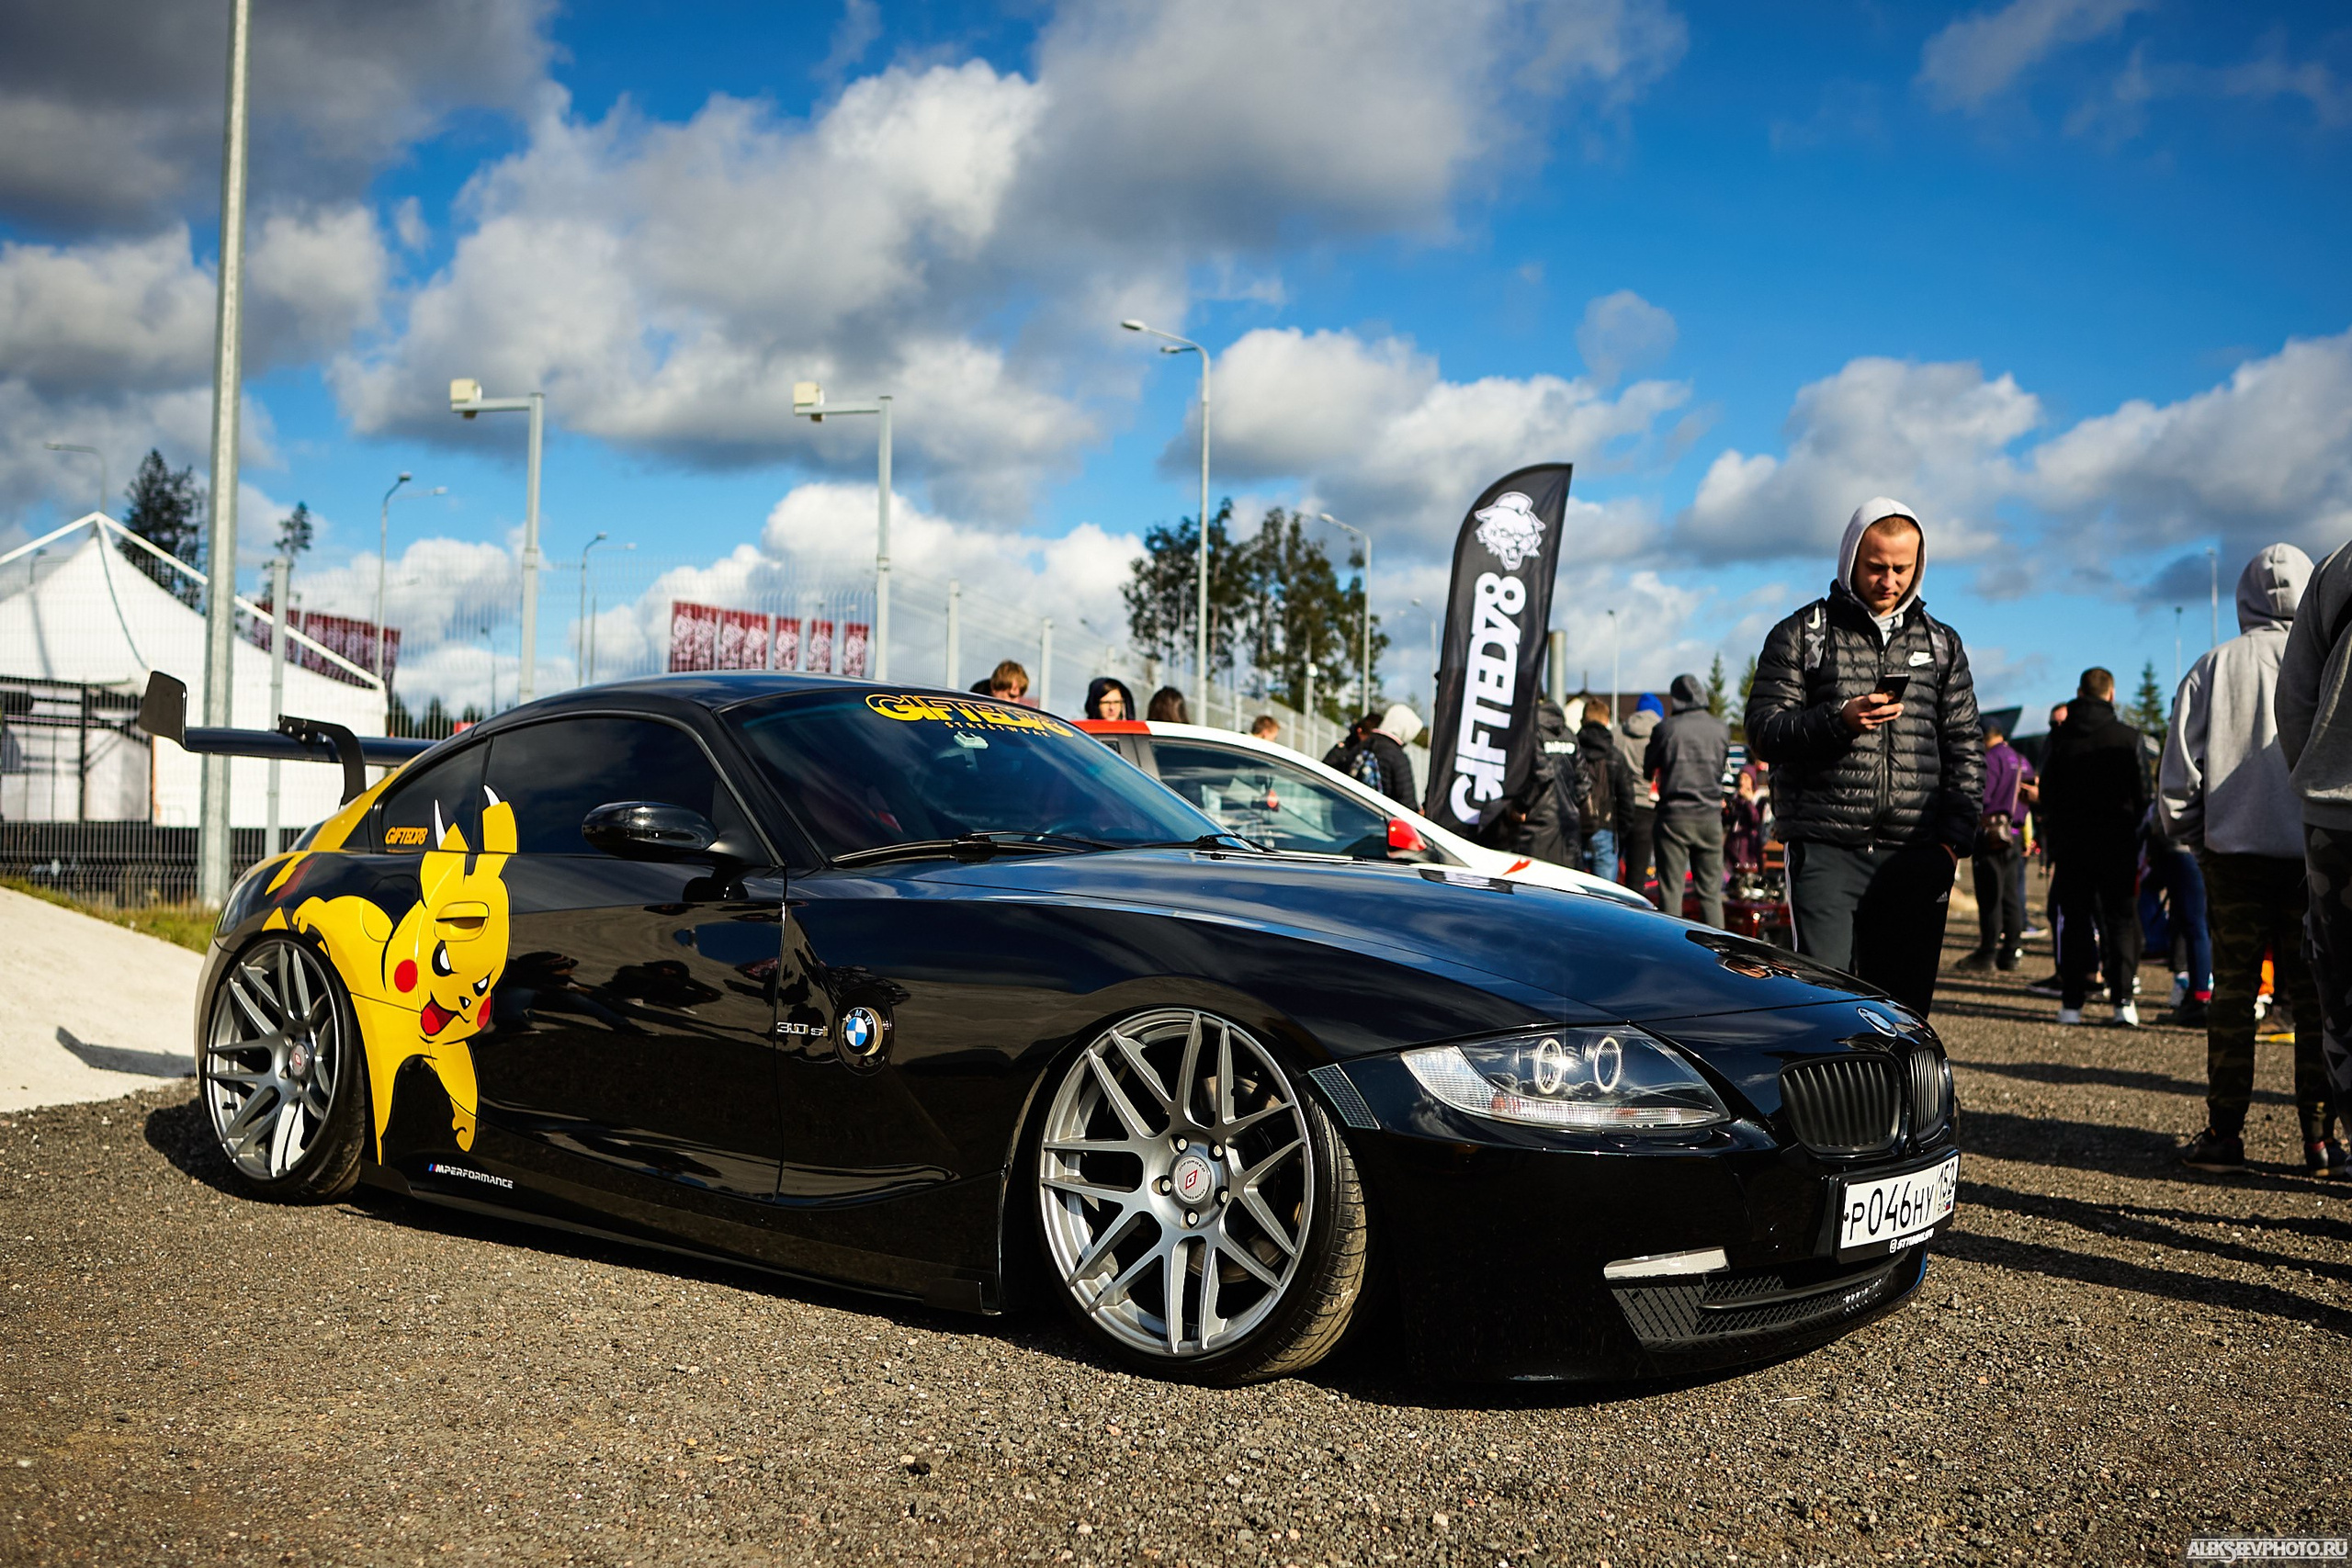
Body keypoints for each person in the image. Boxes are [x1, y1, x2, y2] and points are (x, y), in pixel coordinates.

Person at [1744, 498, 1984, 1016]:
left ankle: (1903, 1102)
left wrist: (1951, 845)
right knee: (1823, 1010)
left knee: (1904, 1017)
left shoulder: (1942, 644)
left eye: (1904, 567)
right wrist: (1839, 720)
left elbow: (1966, 745)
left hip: (1917, 856)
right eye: (1877, 566)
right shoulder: (1802, 633)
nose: (1891, 579)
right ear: (1850, 557)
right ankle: (1830, 1101)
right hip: (1826, 851)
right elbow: (1763, 733)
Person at [2160, 543, 2330, 1174]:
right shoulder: (2330, 664)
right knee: (2316, 999)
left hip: (2232, 856)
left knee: (2233, 994)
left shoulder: (2213, 665)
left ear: (2244, 595)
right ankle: (2321, 1139)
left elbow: (2178, 776)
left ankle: (2225, 1133)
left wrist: (2200, 838)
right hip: (2314, 857)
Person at [2269, 536, 2352, 1176]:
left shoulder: (2338, 567)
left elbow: (2295, 705)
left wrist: (2321, 781)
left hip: (2338, 820)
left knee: (2341, 1005)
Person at [2037, 670, 2149, 1026]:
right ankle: (2123, 1001)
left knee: (2074, 923)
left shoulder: (2058, 739)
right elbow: (2144, 795)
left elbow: (2048, 794)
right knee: (2119, 922)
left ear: (2079, 692)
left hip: (2072, 845)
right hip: (2117, 844)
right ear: (2111, 694)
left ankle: (2072, 1003)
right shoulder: (2129, 737)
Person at [1645, 672, 1730, 927]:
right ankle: (1718, 958)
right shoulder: (1721, 728)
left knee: (1671, 893)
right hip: (1709, 815)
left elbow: (1647, 768)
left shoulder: (1666, 728)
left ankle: (1674, 956)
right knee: (1711, 895)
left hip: (1674, 817)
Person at [1958, 714, 2034, 974]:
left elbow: (1981, 797)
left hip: (1991, 835)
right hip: (2013, 833)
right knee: (2011, 894)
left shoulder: (1990, 760)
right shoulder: (2021, 760)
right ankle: (2012, 950)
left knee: (1990, 894)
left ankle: (1987, 951)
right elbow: (2029, 794)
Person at [1577, 697, 1636, 883]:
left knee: (1572, 897)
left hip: (1574, 829)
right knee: (1605, 898)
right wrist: (1622, 833)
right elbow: (1627, 798)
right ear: (1606, 721)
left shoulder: (1573, 750)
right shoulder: (1615, 755)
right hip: (1605, 828)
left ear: (1582, 721)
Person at [1325, 705, 1419, 807]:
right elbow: (1407, 801)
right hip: (1375, 819)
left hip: (1344, 810)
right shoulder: (1398, 757)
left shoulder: (1359, 746)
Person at [1614, 694, 1663, 892]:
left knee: (1612, 873)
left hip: (1619, 805)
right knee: (1637, 878)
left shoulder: (1618, 733)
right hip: (1648, 808)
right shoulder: (1661, 734)